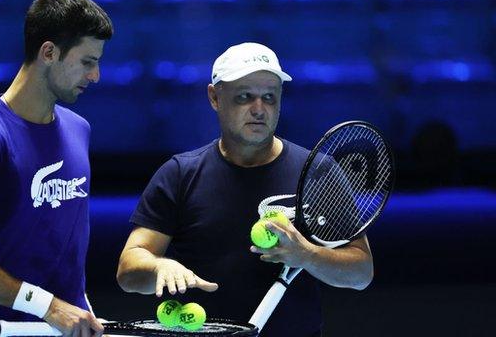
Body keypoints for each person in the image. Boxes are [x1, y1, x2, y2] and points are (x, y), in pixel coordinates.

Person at [116, 43, 374, 336]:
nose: (259, 109)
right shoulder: (179, 174)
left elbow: (360, 273)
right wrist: (158, 268)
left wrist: (307, 255)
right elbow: (129, 269)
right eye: (244, 97)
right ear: (215, 97)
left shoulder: (319, 173)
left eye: (269, 97)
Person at [0, 0, 113, 337]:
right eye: (88, 62)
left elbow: (63, 254)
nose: (96, 76)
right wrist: (48, 307)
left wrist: (81, 310)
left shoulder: (80, 130)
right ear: (49, 52)